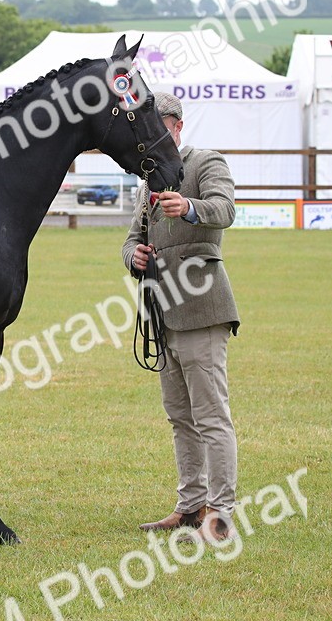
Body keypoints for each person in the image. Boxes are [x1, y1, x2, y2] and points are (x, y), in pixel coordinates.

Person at [121, 91, 240, 543]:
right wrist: (134, 256)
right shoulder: (148, 181)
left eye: (158, 128)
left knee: (211, 417)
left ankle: (220, 514)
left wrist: (189, 208)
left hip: (202, 307)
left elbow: (225, 210)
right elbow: (131, 240)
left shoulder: (205, 161)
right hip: (162, 313)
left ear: (176, 127)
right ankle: (190, 506)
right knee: (180, 418)